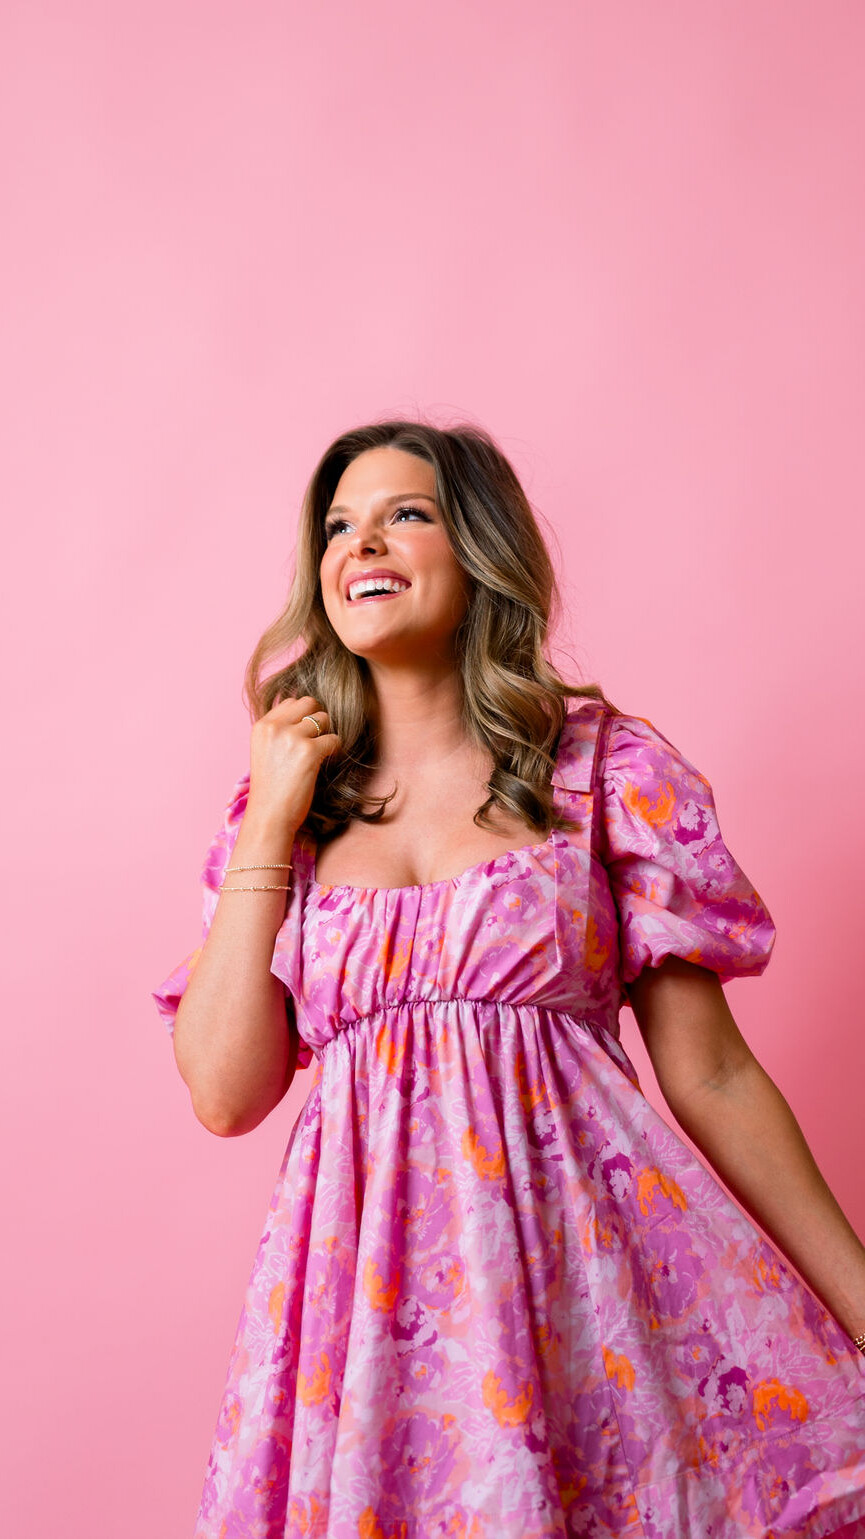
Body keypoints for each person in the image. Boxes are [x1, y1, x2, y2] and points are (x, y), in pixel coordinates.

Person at [153, 419, 865, 1539]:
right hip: (363, 1319)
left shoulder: (601, 769)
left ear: (478, 548)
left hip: (580, 1288)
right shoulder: (282, 816)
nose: (360, 543)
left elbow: (713, 1076)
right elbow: (224, 1092)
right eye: (337, 525)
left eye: (405, 513)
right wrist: (273, 815)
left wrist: (861, 1305)